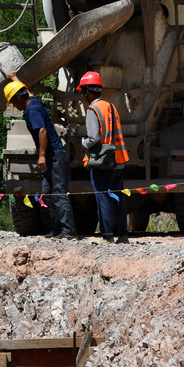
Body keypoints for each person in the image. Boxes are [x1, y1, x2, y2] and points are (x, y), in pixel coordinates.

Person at [3, 78, 77, 239]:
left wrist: (41, 156)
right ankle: (58, 229)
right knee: (46, 195)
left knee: (58, 193)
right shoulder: (33, 102)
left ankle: (68, 231)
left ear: (18, 98)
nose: (14, 106)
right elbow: (27, 92)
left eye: (13, 103)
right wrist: (15, 79)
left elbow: (42, 131)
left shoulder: (32, 110)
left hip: (54, 156)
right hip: (52, 157)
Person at [77, 71, 129, 244]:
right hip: (119, 159)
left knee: (103, 198)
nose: (83, 96)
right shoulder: (111, 106)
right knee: (118, 197)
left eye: (83, 92)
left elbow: (94, 138)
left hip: (103, 162)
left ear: (87, 91)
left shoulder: (93, 109)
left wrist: (83, 144)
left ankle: (107, 236)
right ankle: (123, 235)